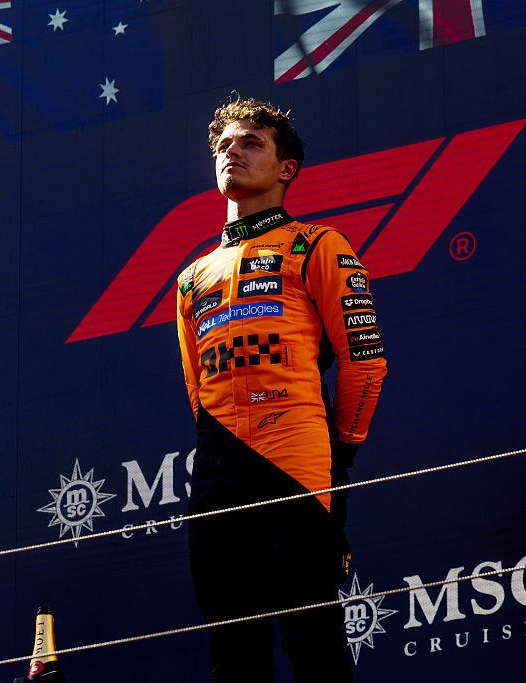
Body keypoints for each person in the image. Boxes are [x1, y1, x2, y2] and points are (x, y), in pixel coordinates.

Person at [176, 98, 387, 682]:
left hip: (297, 455)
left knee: (311, 637)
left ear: (287, 168)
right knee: (232, 651)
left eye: (251, 144)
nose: (231, 153)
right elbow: (197, 391)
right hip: (217, 472)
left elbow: (364, 364)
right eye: (223, 146)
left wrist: (338, 460)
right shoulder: (190, 278)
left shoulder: (319, 244)